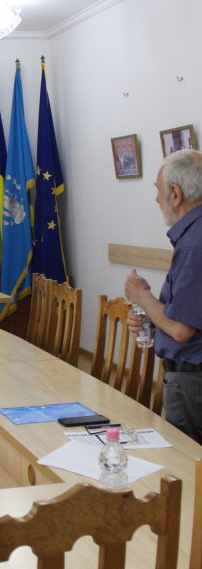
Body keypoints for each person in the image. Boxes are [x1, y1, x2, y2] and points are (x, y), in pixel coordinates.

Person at [125, 149, 202, 443]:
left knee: (188, 465)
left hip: (192, 383)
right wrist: (151, 319)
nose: (156, 199)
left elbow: (182, 329)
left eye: (158, 190)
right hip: (191, 380)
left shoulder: (195, 242)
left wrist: (142, 295)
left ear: (175, 193)